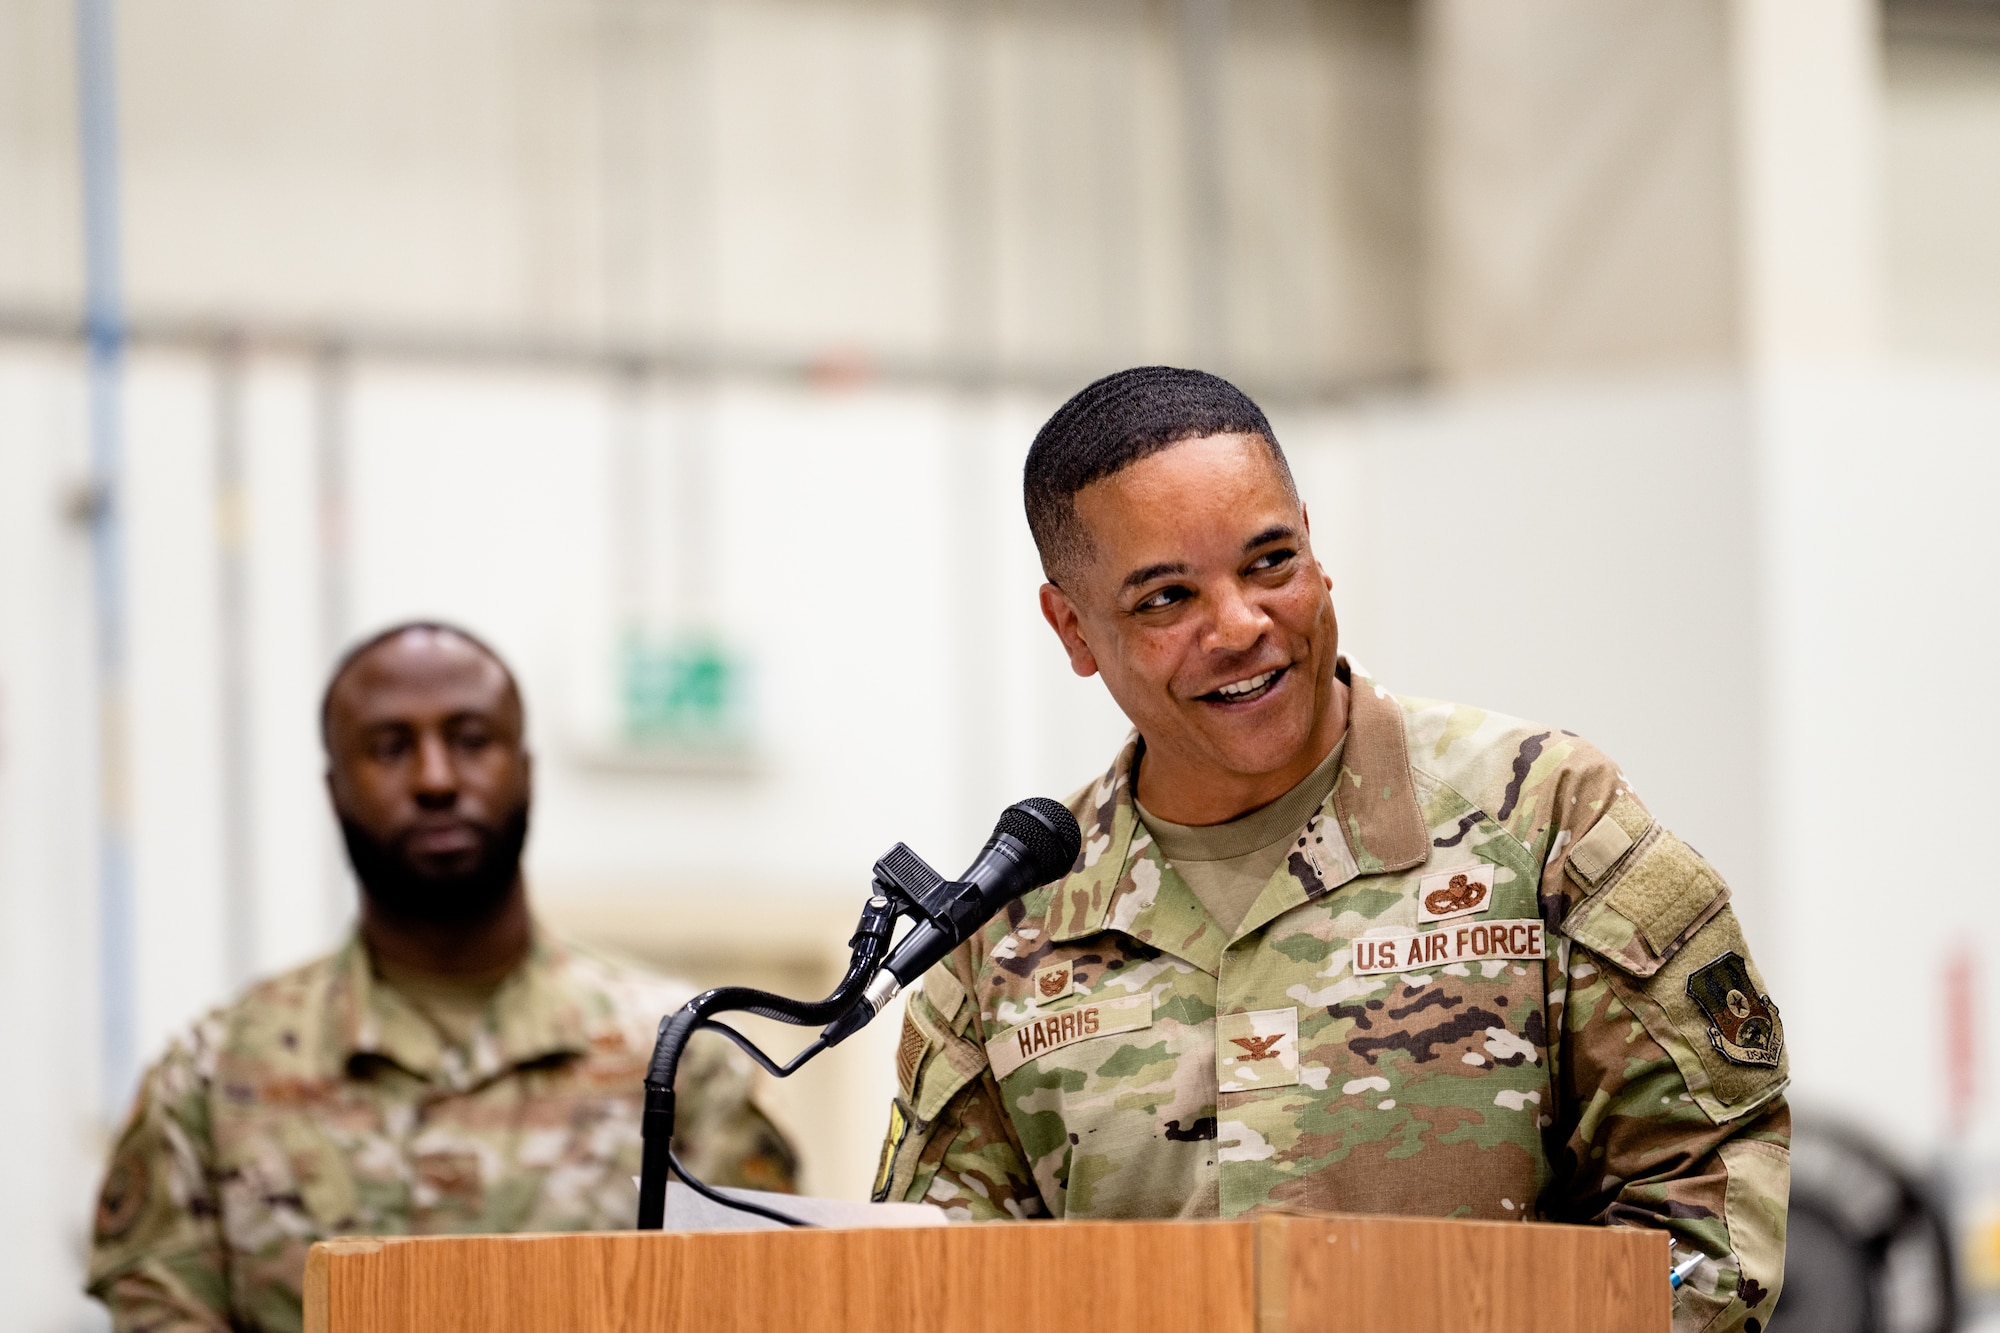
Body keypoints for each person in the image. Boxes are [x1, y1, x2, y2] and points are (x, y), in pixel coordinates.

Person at [874, 368, 1788, 1333]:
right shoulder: (1011, 930)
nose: (1239, 626)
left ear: (1314, 545)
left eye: (1271, 562)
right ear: (1073, 628)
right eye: (1167, 598)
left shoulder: (1543, 820)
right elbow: (935, 1283)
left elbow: (1710, 1205)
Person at [88, 623, 795, 1333]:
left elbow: (775, 1307)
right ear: (335, 789)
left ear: (526, 769)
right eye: (391, 748)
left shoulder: (681, 1060)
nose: (436, 779)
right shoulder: (212, 1083)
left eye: (472, 739)